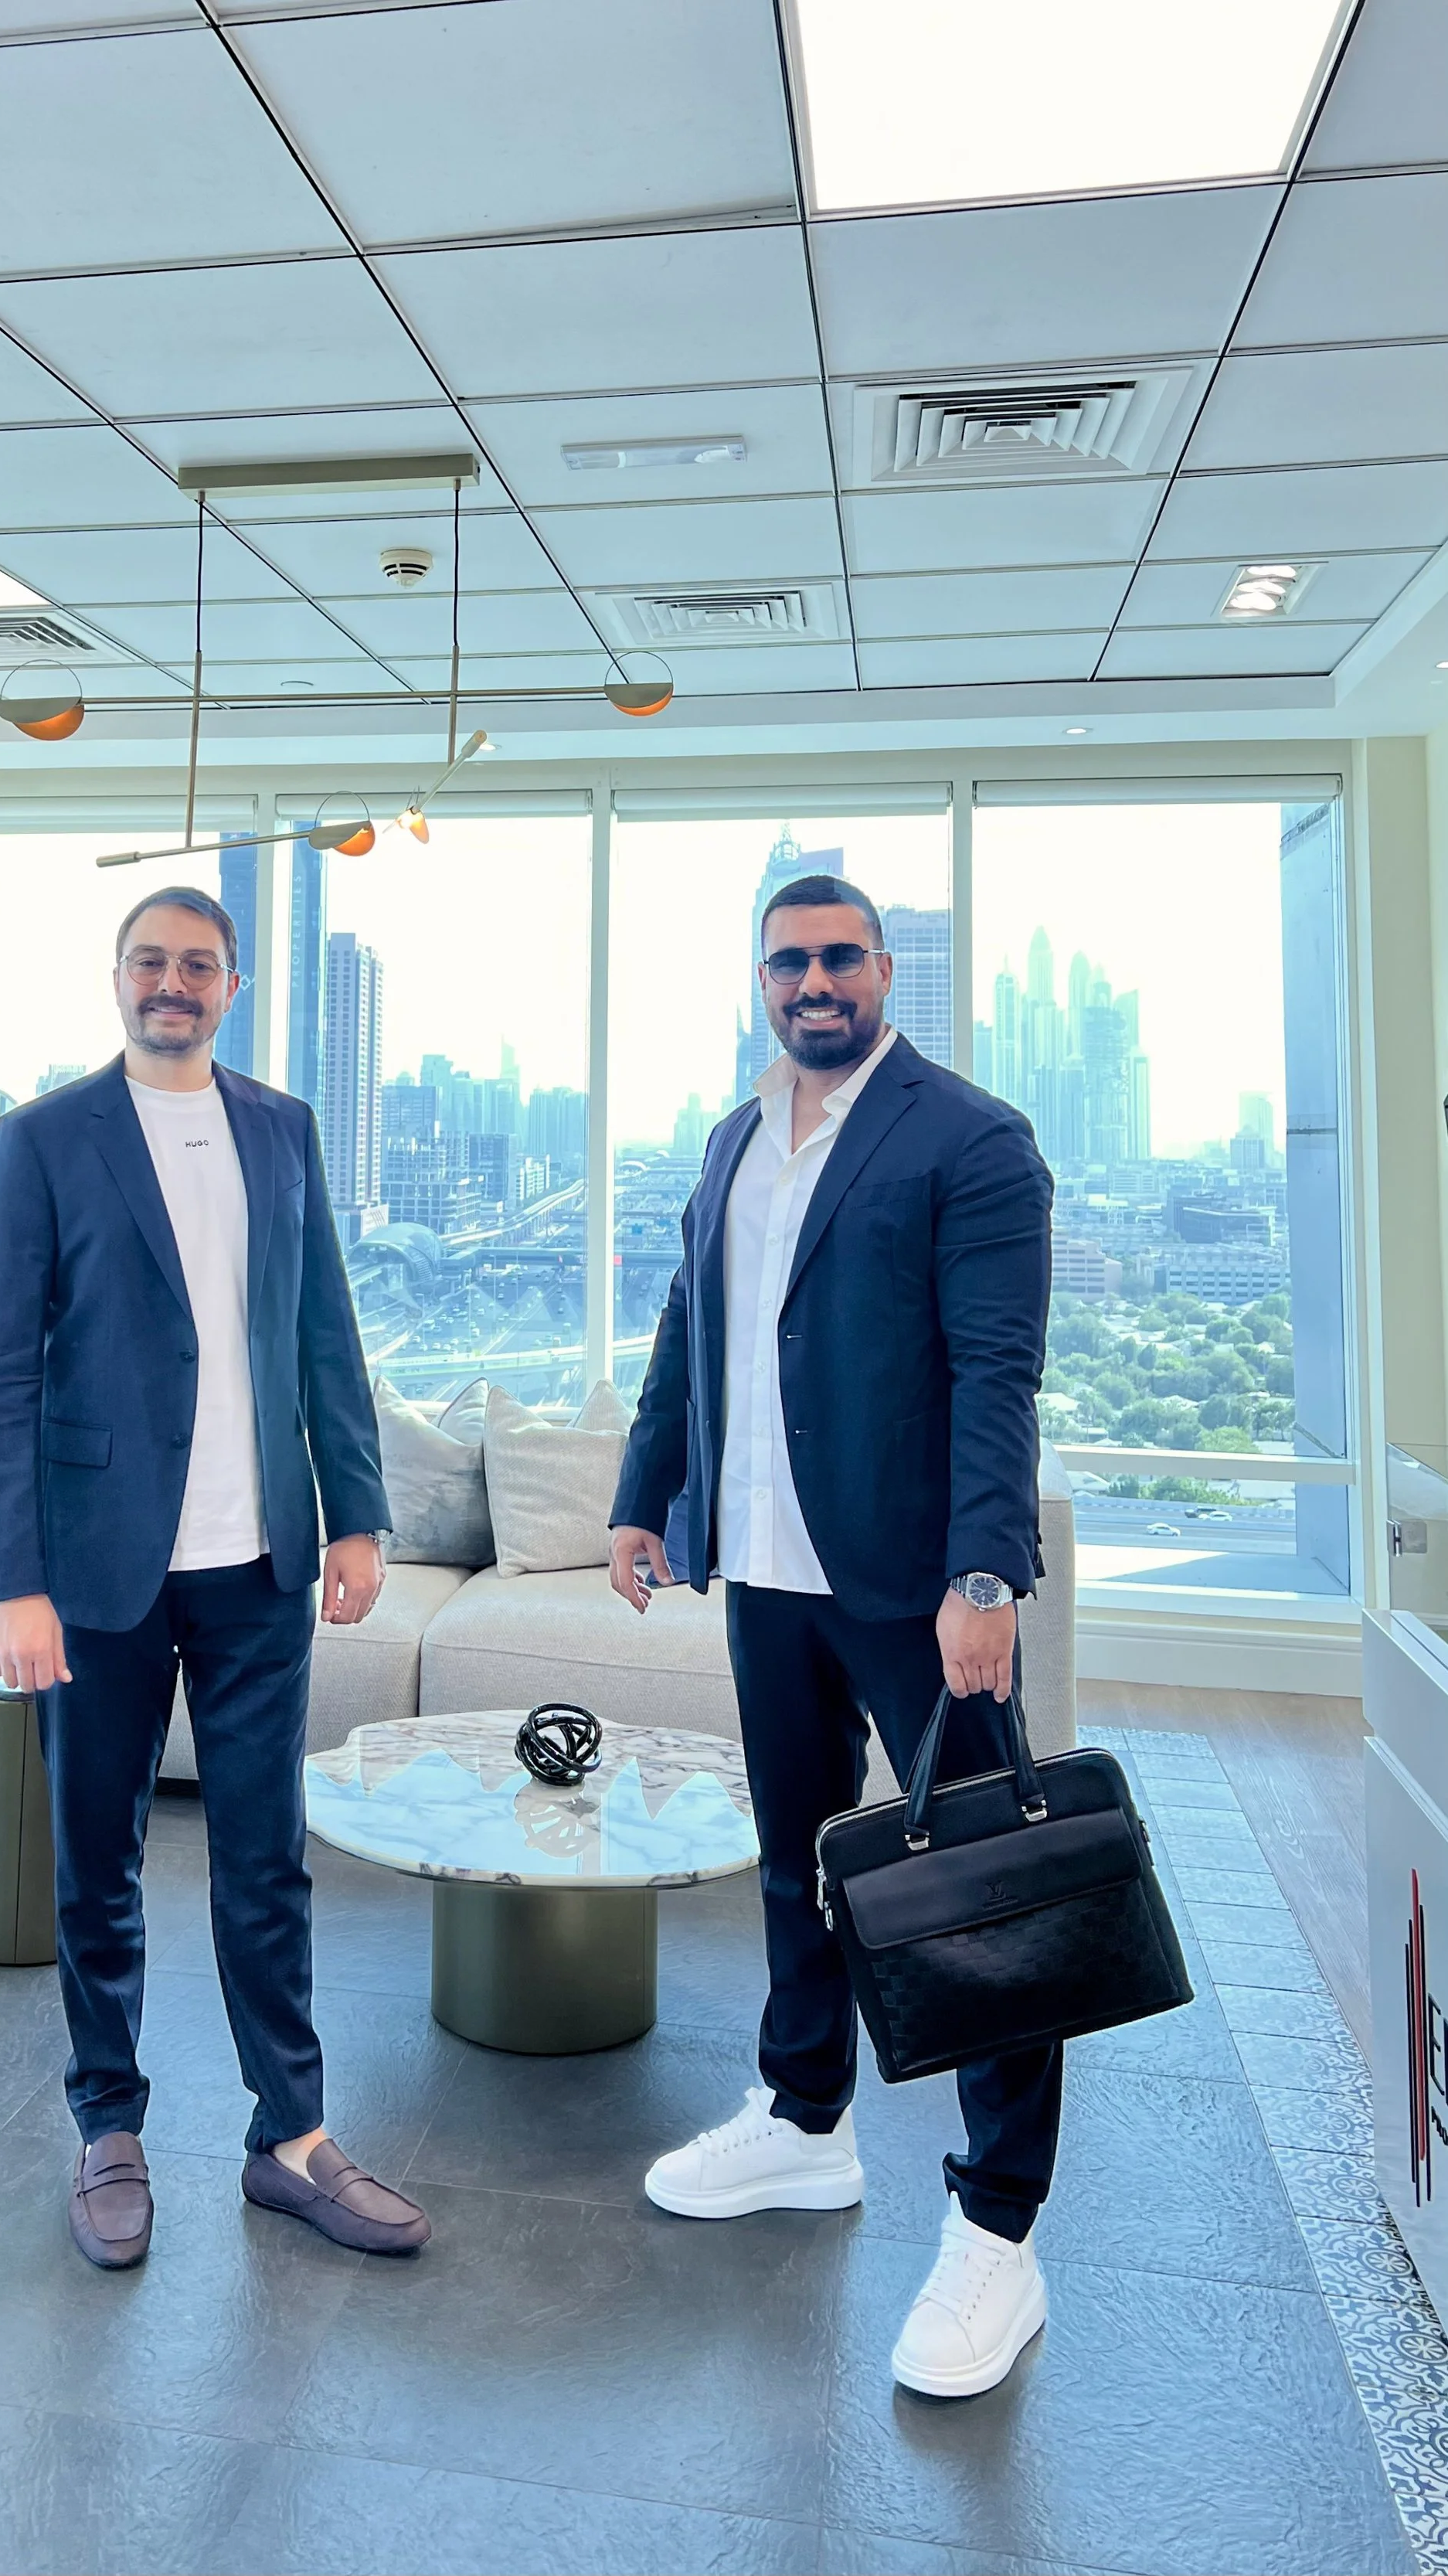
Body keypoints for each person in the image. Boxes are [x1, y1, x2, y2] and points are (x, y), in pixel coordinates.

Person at [608, 871, 1056, 2398]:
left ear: (881, 968)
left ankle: (997, 2233)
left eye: (837, 956)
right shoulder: (737, 1136)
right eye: (786, 960)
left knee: (976, 1902)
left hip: (917, 1590)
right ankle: (803, 2124)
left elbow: (997, 1369)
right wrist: (641, 1493)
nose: (812, 981)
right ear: (758, 977)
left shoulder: (967, 1137)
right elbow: (690, 1325)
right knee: (795, 1864)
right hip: (765, 1578)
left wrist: (983, 1575)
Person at [0, 884, 430, 2270]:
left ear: (233, 987)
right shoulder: (42, 1140)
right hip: (96, 1572)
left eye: (201, 966)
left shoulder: (282, 1128)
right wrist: (11, 1580)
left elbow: (325, 1327)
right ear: (118, 978)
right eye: (152, 961)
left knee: (263, 1858)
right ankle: (108, 2124)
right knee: (95, 1862)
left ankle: (291, 2138)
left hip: (259, 1562)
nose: (175, 982)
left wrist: (355, 1512)